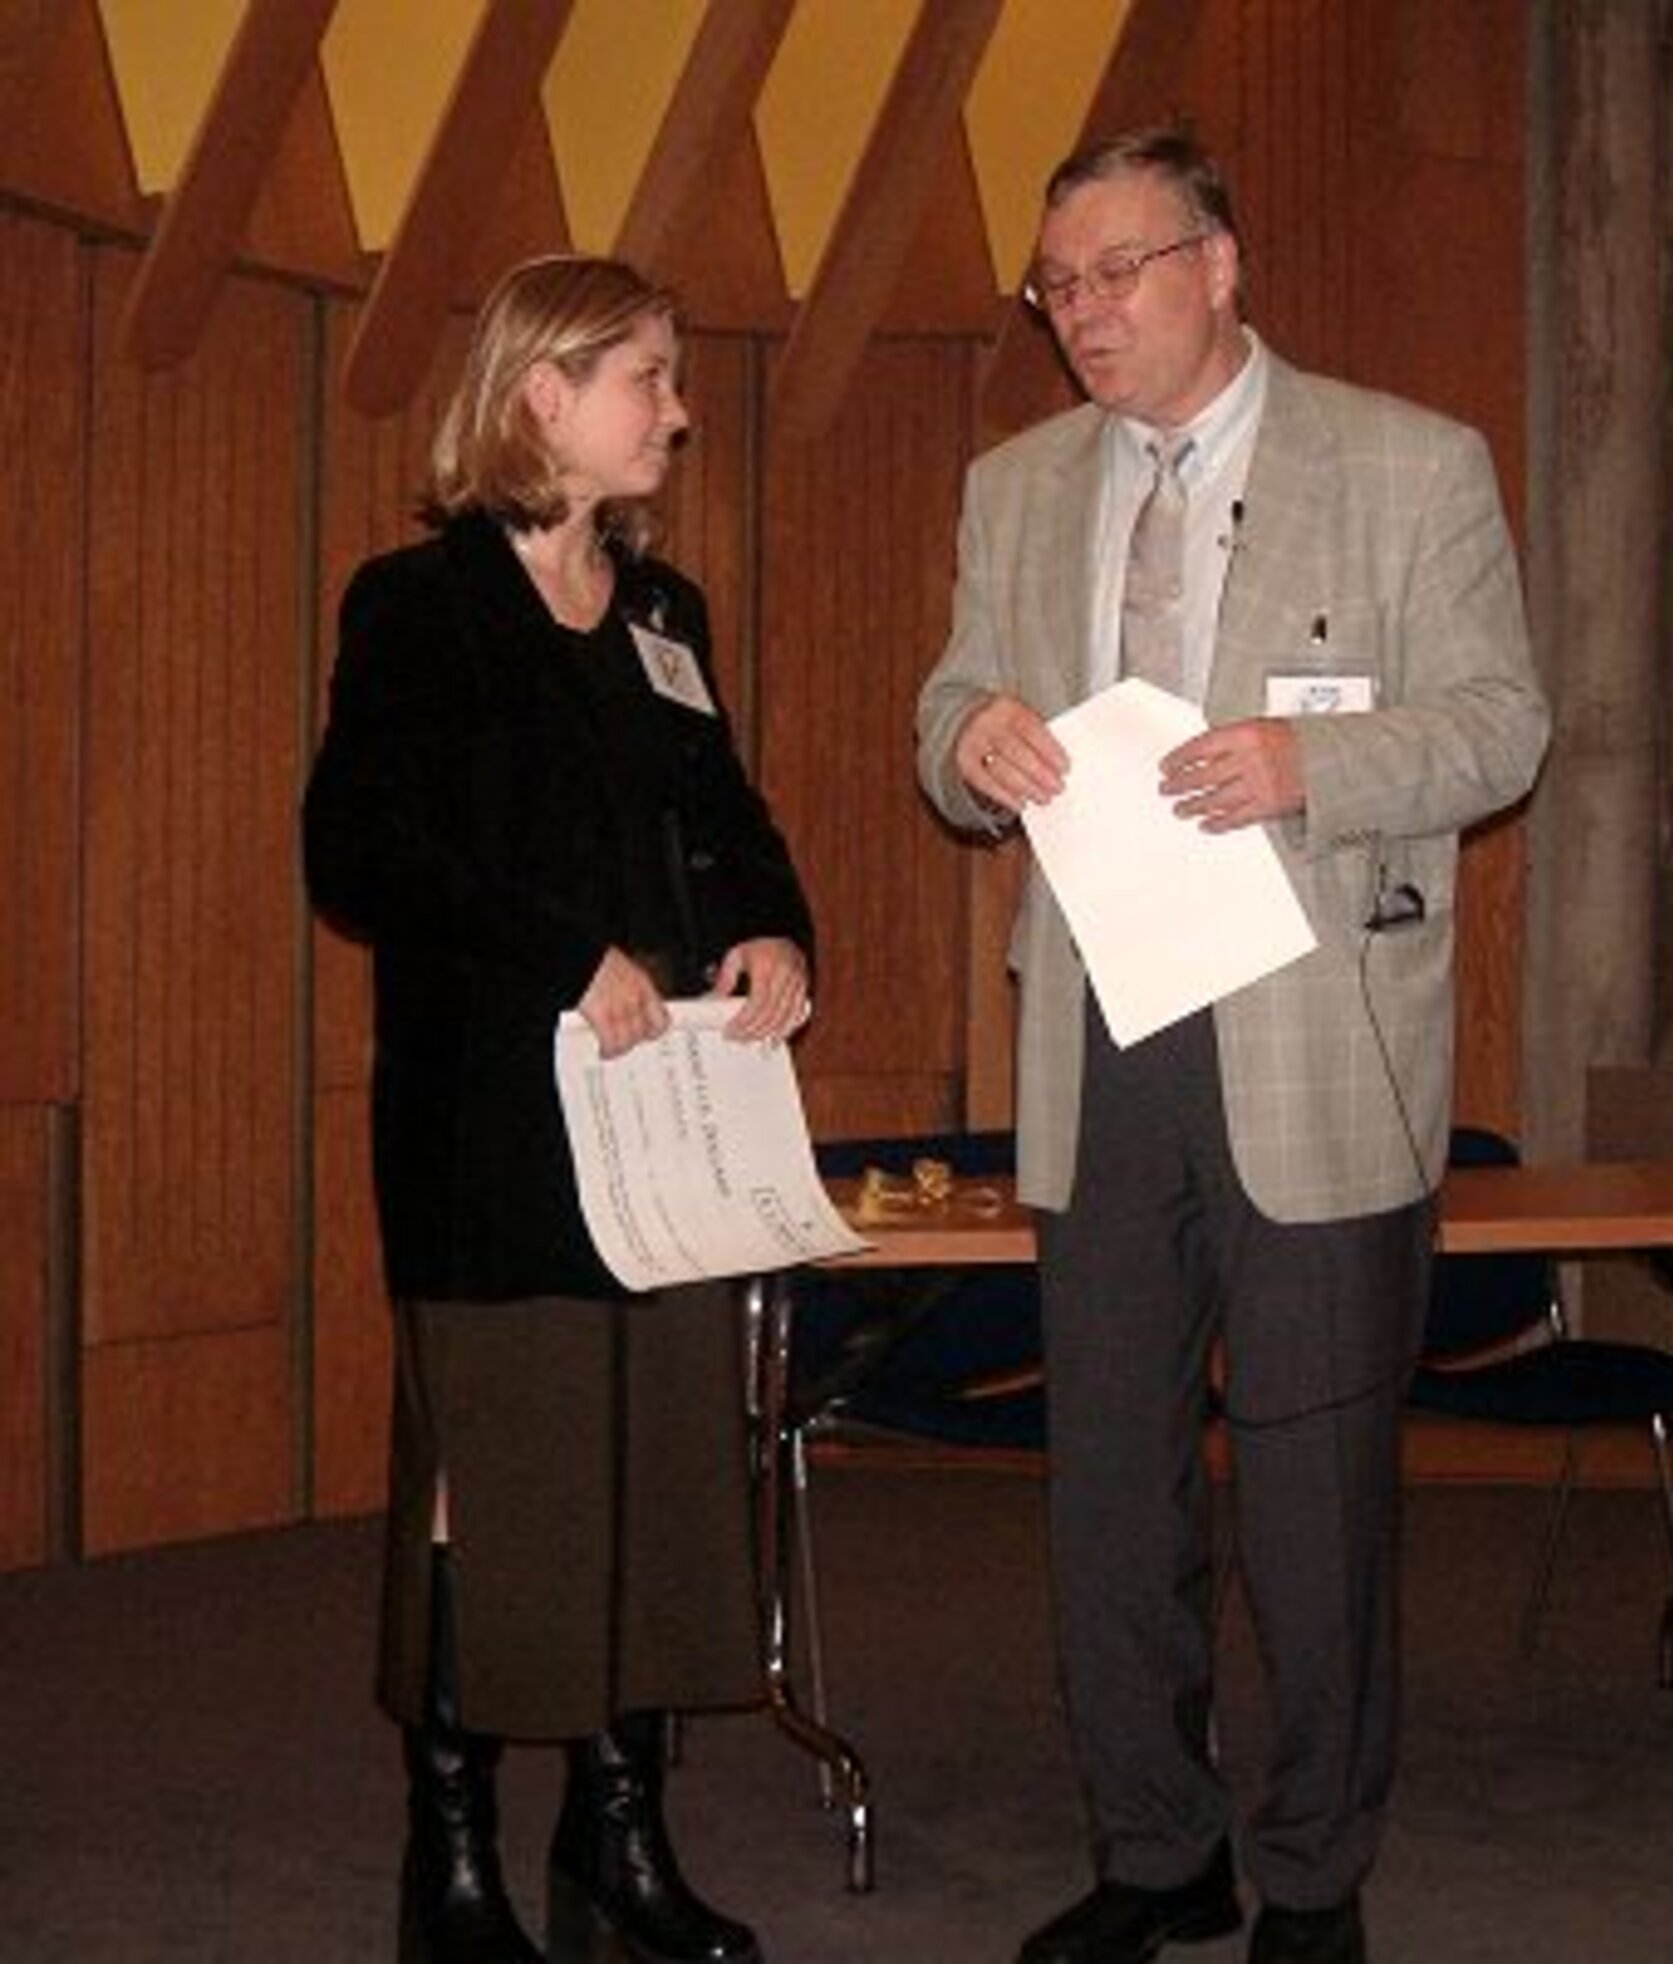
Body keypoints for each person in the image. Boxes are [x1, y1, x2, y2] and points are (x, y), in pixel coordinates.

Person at [917, 130, 1550, 1964]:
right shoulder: (1015, 484)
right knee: (1107, 1478)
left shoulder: (1412, 461)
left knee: (1314, 1490)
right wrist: (968, 745)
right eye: (1057, 288)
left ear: (1220, 264)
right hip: (1102, 1029)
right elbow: (952, 699)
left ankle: (1314, 1877)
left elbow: (1502, 728)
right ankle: (1154, 1846)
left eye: (1117, 273)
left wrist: (1310, 767)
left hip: (1315, 1039)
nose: (1083, 316)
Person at [304, 255, 813, 1964]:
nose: (675, 407)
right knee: (499, 1492)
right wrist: (554, 954)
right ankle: (449, 1862)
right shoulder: (419, 604)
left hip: (666, 1133)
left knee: (655, 1491)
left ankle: (622, 1843)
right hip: (493, 1143)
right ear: (542, 396)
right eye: (646, 377)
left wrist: (772, 925)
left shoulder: (665, 617)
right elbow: (360, 853)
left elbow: (724, 812)